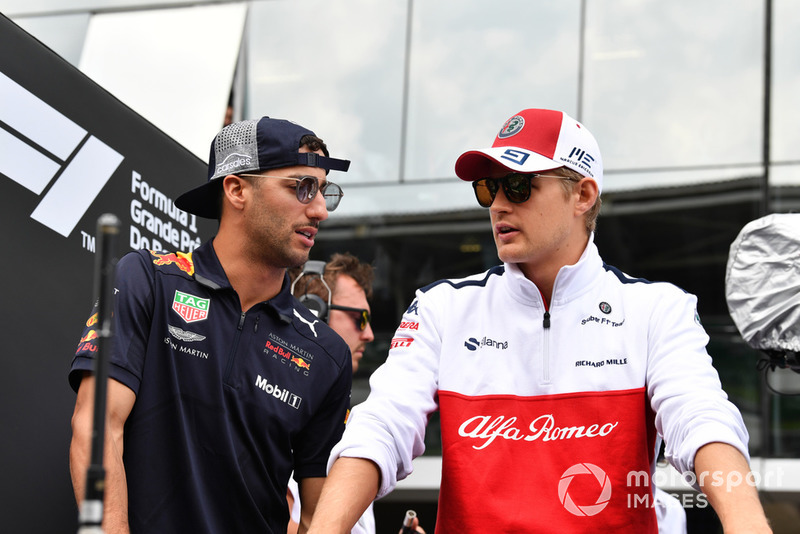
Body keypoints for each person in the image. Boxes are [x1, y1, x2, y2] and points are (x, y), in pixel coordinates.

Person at [306, 108, 773, 533]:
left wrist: (745, 522)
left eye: (519, 185)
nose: (498, 204)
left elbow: (702, 420)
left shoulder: (658, 308)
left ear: (583, 195)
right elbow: (381, 427)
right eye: (489, 187)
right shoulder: (441, 308)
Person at [69, 116, 353, 534]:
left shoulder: (326, 353)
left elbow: (316, 516)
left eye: (326, 191)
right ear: (237, 189)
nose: (320, 210)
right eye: (302, 188)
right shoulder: (147, 279)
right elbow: (96, 428)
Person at [285, 255, 426, 534]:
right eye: (360, 319)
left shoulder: (343, 421)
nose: (370, 334)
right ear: (313, 312)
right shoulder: (280, 409)